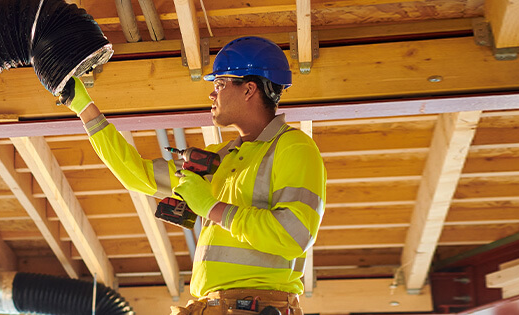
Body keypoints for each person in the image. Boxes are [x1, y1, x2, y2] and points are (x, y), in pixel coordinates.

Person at [62, 36, 326, 315]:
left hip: (258, 306)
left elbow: (294, 235)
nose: (212, 95)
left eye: (219, 84)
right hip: (210, 307)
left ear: (249, 89)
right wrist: (84, 107)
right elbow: (137, 175)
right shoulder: (219, 158)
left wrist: (212, 208)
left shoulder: (294, 148)